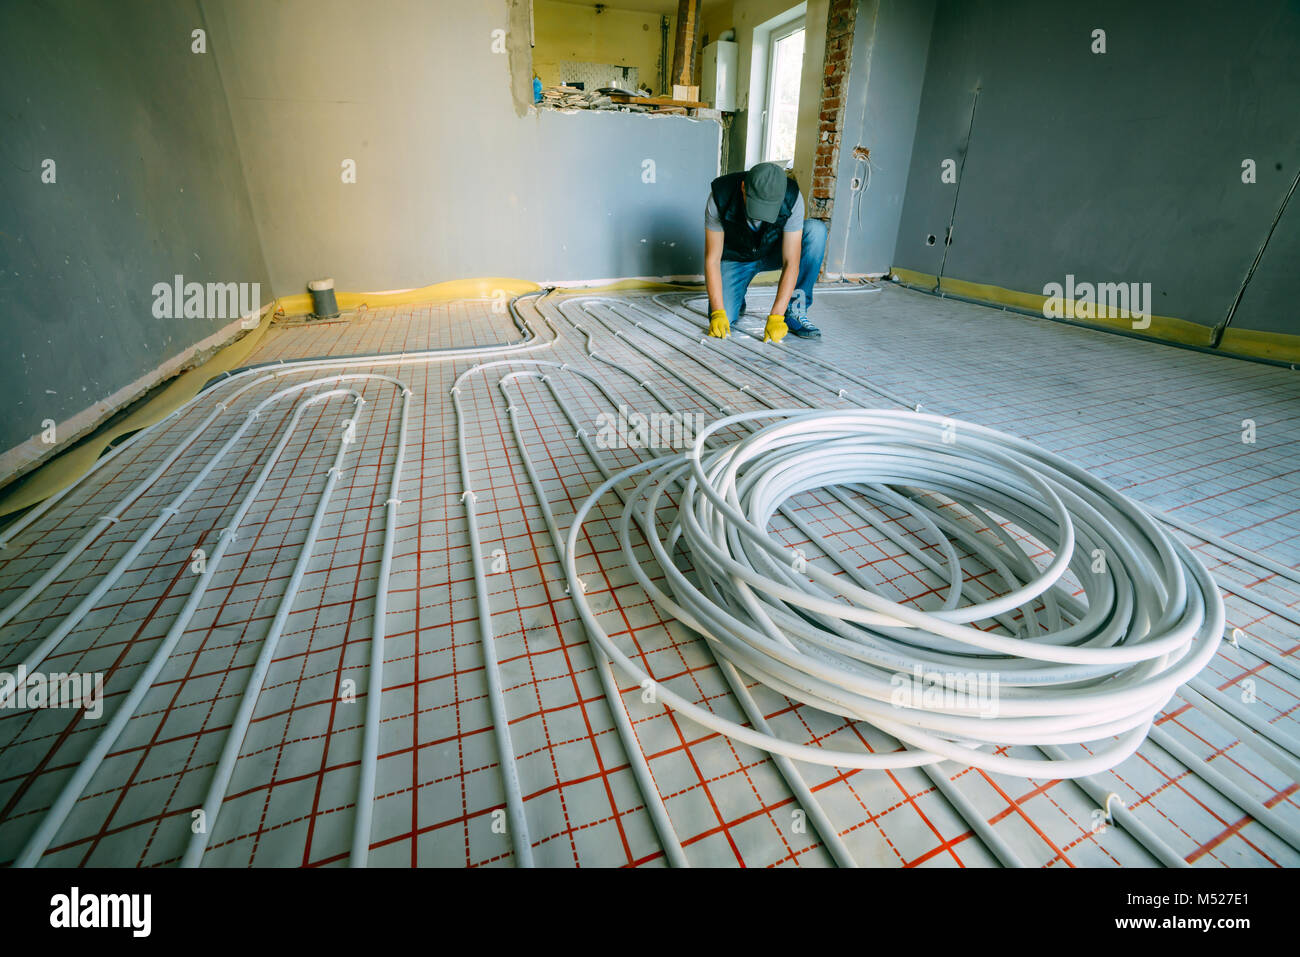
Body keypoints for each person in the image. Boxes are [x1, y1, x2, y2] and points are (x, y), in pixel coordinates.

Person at [703, 161, 828, 342]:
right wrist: (717, 312)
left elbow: (791, 262)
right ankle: (737, 296)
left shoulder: (792, 198)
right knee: (725, 318)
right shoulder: (720, 196)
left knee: (816, 231)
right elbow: (712, 259)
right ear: (744, 187)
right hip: (737, 258)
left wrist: (776, 315)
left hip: (773, 250)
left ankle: (794, 310)